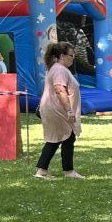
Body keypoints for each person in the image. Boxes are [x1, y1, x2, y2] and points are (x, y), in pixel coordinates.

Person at [36, 40, 83, 179]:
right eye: (71, 55)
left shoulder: (57, 68)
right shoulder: (59, 70)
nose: (73, 58)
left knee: (56, 138)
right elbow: (59, 90)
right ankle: (68, 171)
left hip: (53, 109)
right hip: (58, 110)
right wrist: (69, 110)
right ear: (62, 56)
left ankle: (42, 170)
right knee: (67, 137)